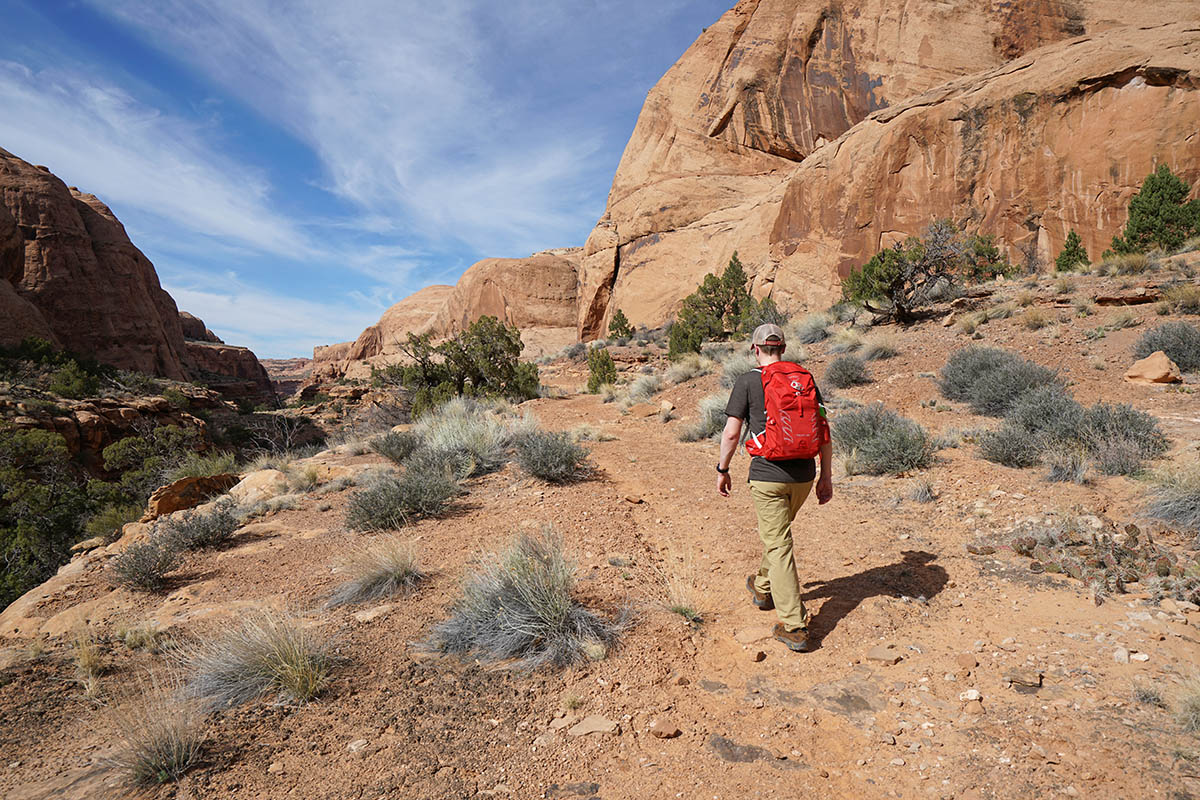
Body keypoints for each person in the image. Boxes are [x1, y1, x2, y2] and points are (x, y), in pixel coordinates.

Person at [716, 323, 833, 652]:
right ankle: (763, 586)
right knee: (777, 536)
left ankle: (794, 626)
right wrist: (826, 477)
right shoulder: (804, 380)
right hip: (804, 477)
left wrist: (722, 469)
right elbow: (823, 430)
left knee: (779, 544)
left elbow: (730, 434)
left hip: (768, 476)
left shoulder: (748, 381)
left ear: (755, 349)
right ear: (782, 347)